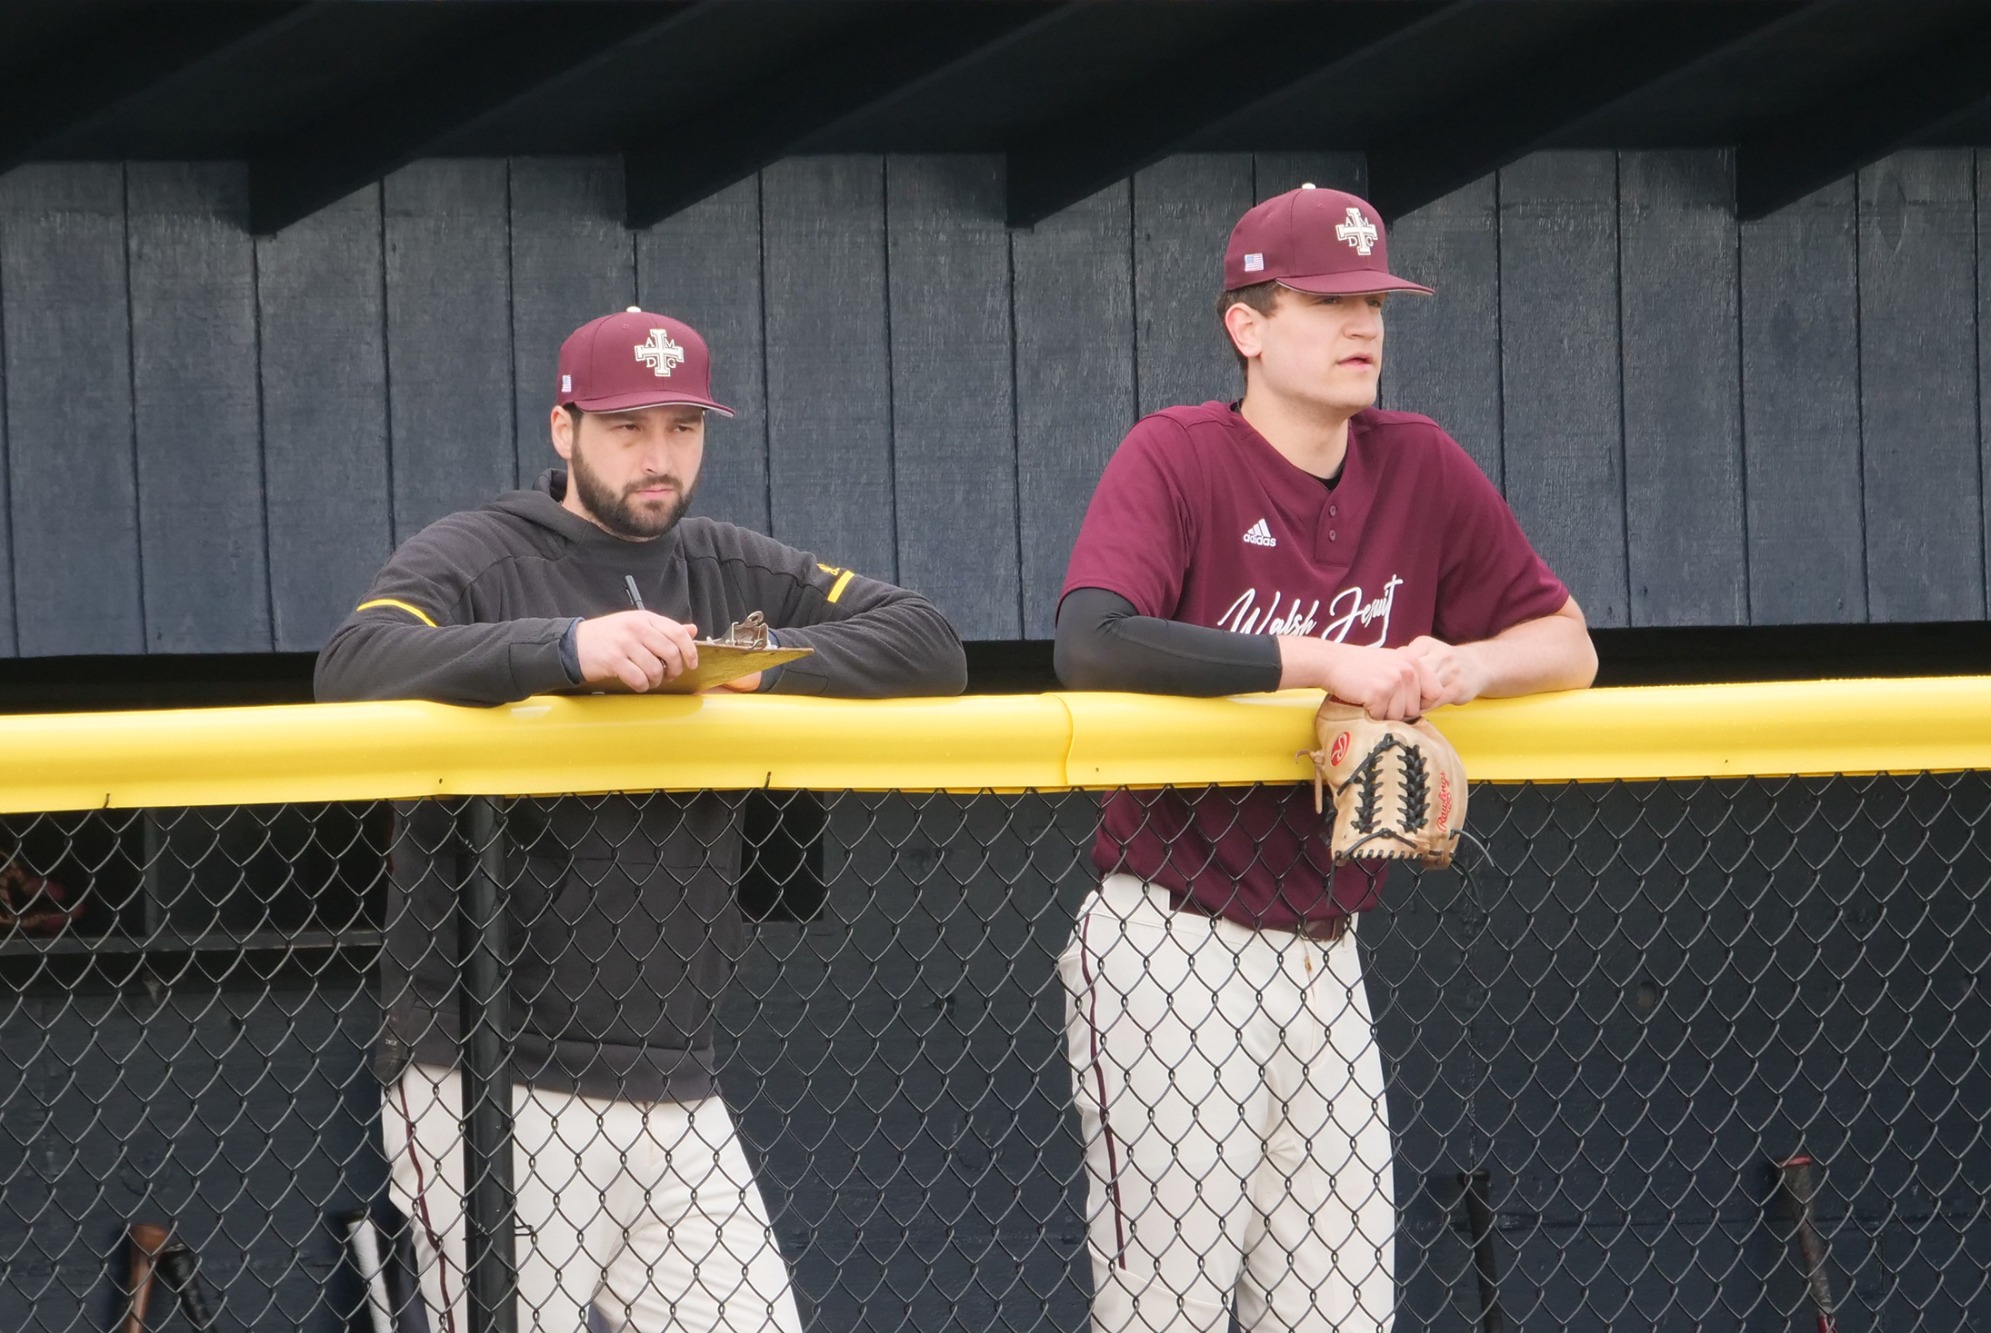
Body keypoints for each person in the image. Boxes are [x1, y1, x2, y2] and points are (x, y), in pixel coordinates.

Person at [316, 307, 966, 1333]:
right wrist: (566, 648)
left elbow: (928, 644)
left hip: (677, 1079)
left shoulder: (724, 563)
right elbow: (353, 664)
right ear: (563, 428)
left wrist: (755, 662)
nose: (659, 457)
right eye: (628, 428)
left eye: (683, 427)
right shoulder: (482, 551)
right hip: (489, 1079)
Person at [1052, 186, 1597, 1333]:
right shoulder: (1177, 454)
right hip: (1171, 939)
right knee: (1168, 1312)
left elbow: (1565, 644)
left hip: (1323, 952)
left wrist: (1460, 668)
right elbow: (1091, 636)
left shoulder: (1418, 461)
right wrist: (1323, 661)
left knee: (1339, 1312)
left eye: (1374, 302)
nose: (1362, 325)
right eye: (1327, 300)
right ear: (1246, 324)